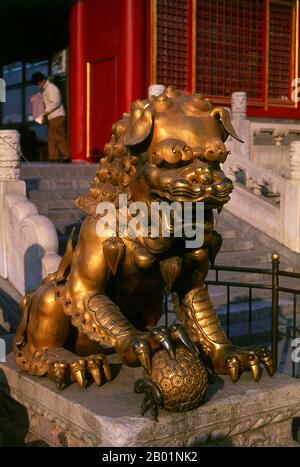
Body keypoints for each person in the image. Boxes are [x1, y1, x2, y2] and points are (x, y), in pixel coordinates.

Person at [31, 71, 70, 162]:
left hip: (57, 116)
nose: (38, 86)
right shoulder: (46, 89)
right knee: (51, 139)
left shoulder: (51, 88)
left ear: (43, 80)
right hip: (52, 117)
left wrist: (45, 112)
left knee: (59, 137)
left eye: (39, 83)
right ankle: (53, 157)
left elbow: (55, 103)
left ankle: (66, 156)